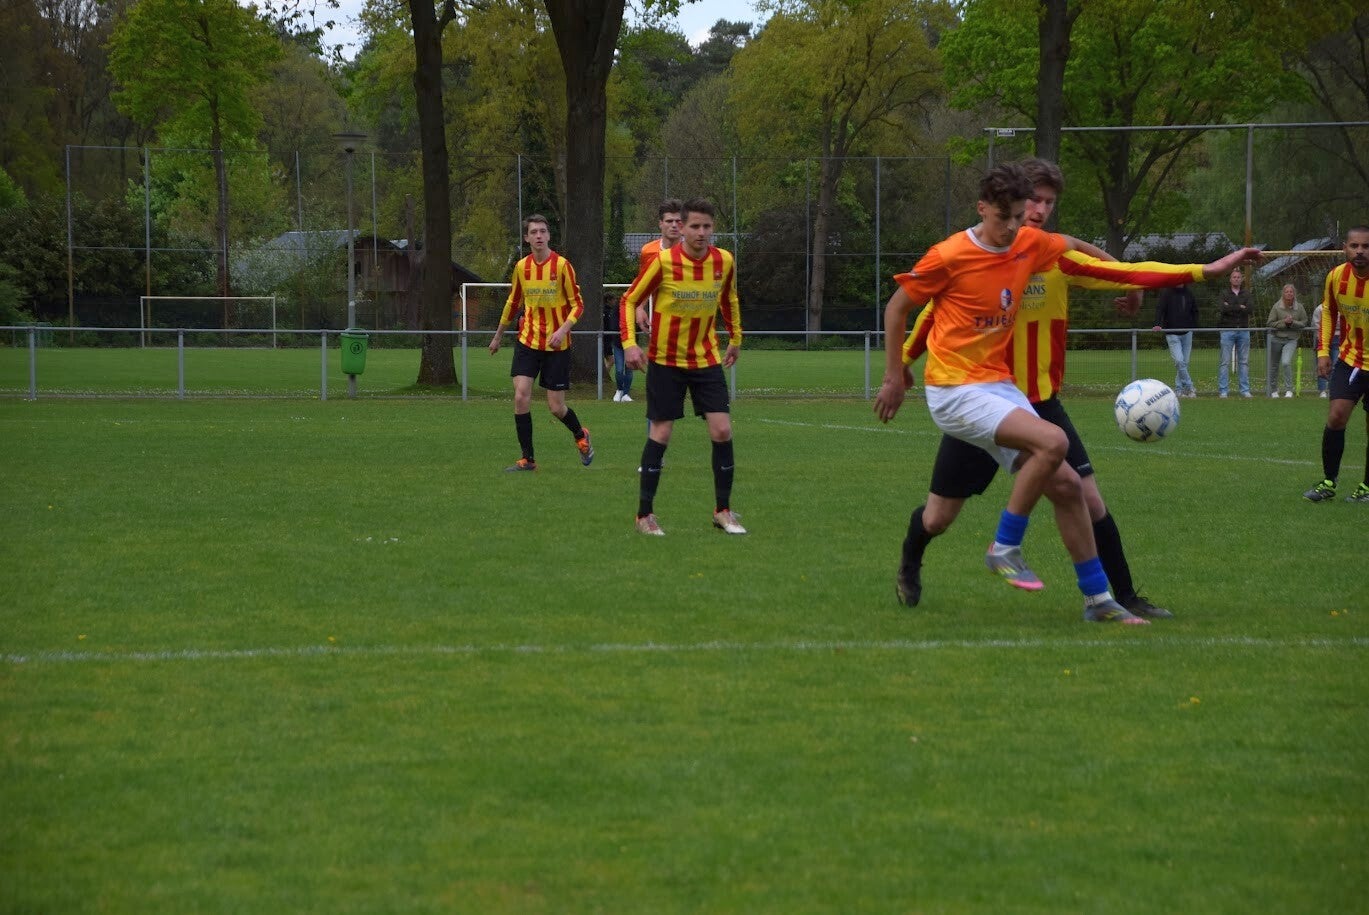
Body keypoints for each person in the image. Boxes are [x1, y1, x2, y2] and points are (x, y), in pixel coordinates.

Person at [874, 162, 1261, 624]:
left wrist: (1207, 269)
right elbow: (915, 311)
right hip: (963, 393)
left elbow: (1114, 267)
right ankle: (992, 546)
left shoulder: (1036, 248)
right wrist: (897, 371)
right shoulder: (951, 255)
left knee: (1072, 488)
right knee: (940, 517)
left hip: (1020, 396)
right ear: (983, 208)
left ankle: (1104, 600)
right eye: (1016, 211)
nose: (1023, 220)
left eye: (1037, 207)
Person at [621, 198, 745, 535]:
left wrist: (736, 337)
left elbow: (729, 299)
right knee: (661, 432)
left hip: (706, 359)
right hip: (666, 361)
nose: (701, 232)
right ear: (683, 228)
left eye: (707, 226)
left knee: (722, 430)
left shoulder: (724, 261)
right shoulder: (663, 262)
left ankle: (723, 511)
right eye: (694, 226)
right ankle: (644, 516)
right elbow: (630, 300)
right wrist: (629, 343)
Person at [488, 214, 593, 472]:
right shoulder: (521, 267)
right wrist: (498, 335)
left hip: (557, 346)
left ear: (548, 235)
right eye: (533, 232)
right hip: (528, 341)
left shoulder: (562, 266)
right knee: (521, 396)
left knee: (556, 407)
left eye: (543, 231)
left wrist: (563, 330)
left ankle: (580, 435)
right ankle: (528, 460)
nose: (538, 236)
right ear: (526, 238)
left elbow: (578, 305)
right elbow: (513, 302)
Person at [1302, 225, 1369, 504]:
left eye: (1366, 246)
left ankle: (1367, 487)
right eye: (1354, 246)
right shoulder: (1336, 277)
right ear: (1345, 248)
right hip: (1350, 359)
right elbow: (1328, 312)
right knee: (1336, 416)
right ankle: (1329, 481)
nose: (1360, 251)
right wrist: (1322, 351)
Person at [628, 199, 685, 333]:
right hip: (661, 322)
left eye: (678, 221)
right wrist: (639, 307)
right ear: (660, 223)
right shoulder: (648, 251)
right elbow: (643, 285)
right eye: (669, 221)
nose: (674, 225)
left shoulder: (694, 252)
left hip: (691, 320)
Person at [1153, 282, 1199, 397]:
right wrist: (1157, 324)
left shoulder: (1189, 293)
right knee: (1179, 361)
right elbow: (1160, 309)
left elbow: (1195, 310)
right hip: (1172, 333)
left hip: (1187, 333)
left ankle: (1179, 389)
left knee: (1184, 363)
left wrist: (1194, 325)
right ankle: (1189, 386)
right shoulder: (1167, 293)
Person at [1266, 283, 1308, 398]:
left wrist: (1293, 322)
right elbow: (1270, 323)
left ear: (1294, 294)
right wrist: (1283, 323)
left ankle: (1289, 389)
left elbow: (1304, 322)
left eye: (1291, 292)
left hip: (1291, 339)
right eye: (1287, 292)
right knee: (1274, 365)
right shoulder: (1276, 307)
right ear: (1283, 293)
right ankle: (1273, 390)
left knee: (1285, 362)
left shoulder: (1299, 307)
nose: (1289, 294)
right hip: (1276, 339)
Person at [1217, 266, 1253, 398]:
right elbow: (1222, 309)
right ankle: (1223, 390)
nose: (1236, 279)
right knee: (1225, 362)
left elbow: (1249, 309)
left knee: (1244, 361)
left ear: (1241, 279)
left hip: (1243, 330)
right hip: (1227, 330)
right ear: (1230, 279)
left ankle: (1245, 390)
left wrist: (1231, 307)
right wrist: (1239, 307)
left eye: (1238, 277)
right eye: (1234, 277)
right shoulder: (1224, 293)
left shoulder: (1247, 294)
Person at [601, 290, 633, 402]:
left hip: (630, 344)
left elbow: (636, 324)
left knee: (629, 368)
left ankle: (626, 393)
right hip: (618, 343)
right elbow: (613, 325)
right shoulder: (615, 310)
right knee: (619, 369)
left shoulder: (633, 310)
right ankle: (619, 390)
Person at [1310, 302, 1340, 398]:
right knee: (1322, 365)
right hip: (1322, 339)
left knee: (1335, 364)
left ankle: (1332, 389)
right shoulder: (1319, 309)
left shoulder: (1342, 308)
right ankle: (1322, 390)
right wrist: (1321, 338)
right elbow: (1315, 325)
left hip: (1338, 338)